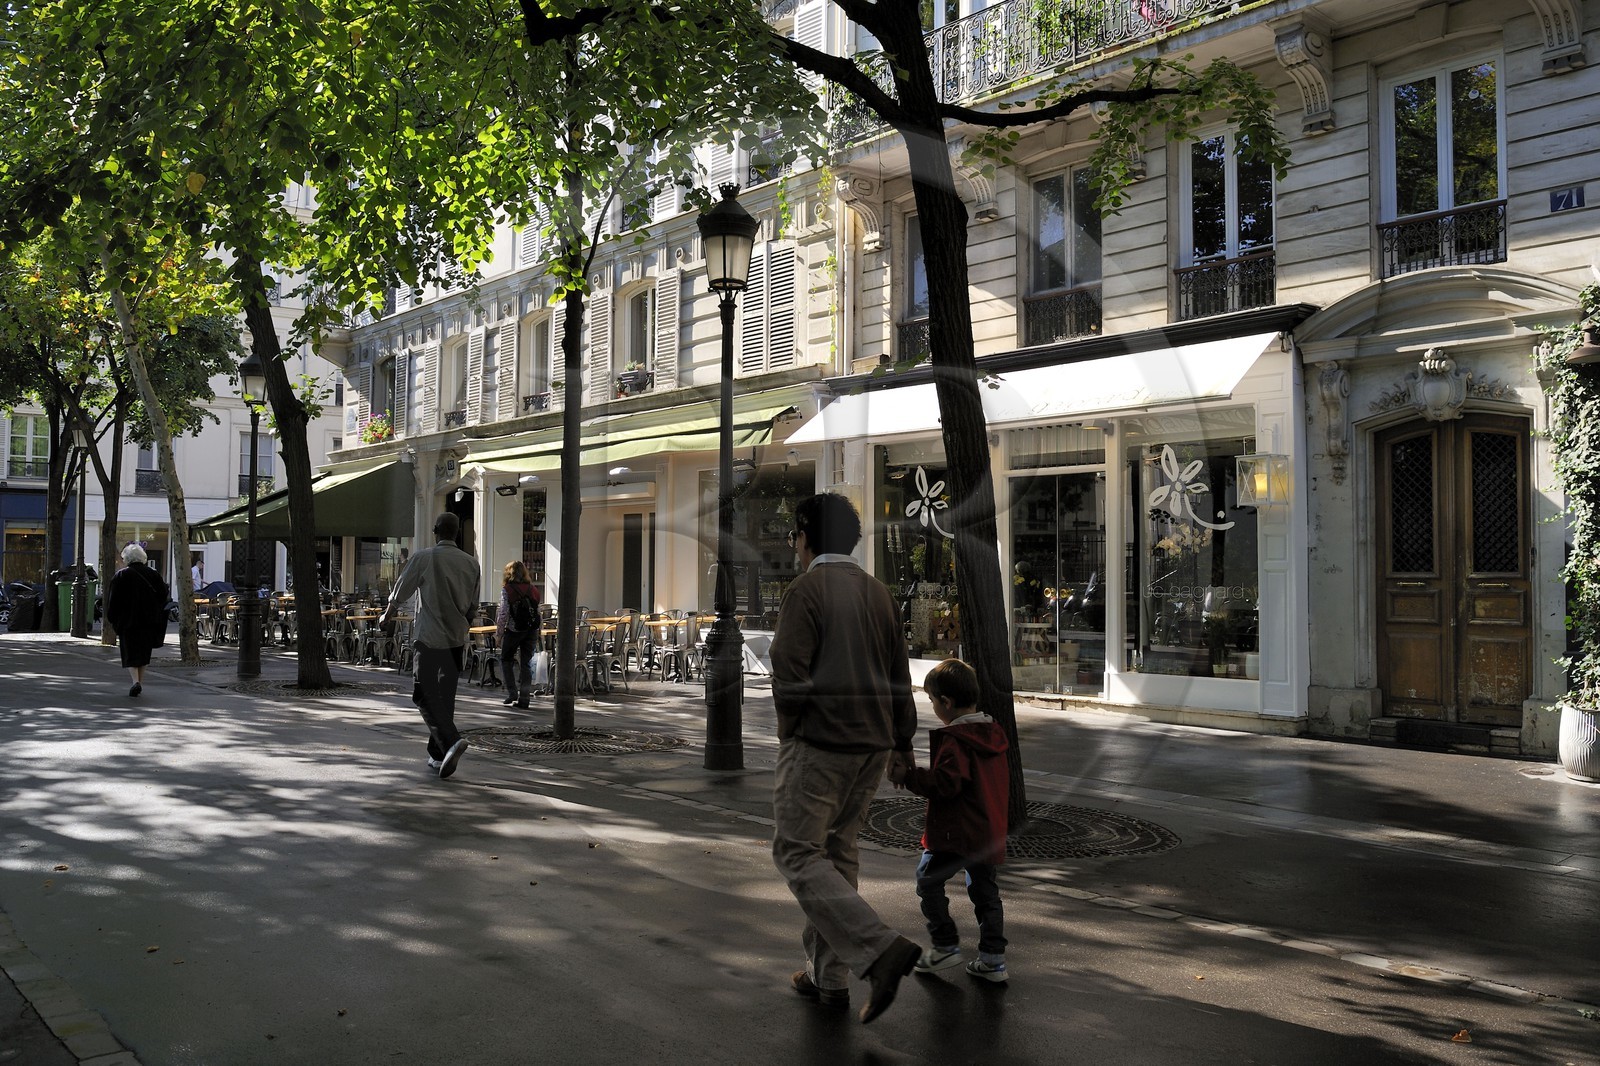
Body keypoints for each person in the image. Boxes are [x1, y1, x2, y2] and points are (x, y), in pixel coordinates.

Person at [769, 492, 922, 1024]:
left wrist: (792, 735)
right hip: (873, 745)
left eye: (793, 535)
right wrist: (902, 744)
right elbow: (899, 677)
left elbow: (789, 675)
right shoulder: (879, 594)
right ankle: (827, 978)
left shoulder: (805, 591)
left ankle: (878, 950)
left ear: (806, 536)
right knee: (838, 855)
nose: (793, 546)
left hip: (820, 744)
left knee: (796, 853)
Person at [887, 657, 1011, 983]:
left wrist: (911, 777)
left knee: (927, 879)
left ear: (947, 702)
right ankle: (993, 960)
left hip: (956, 831)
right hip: (987, 830)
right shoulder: (992, 733)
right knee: (986, 893)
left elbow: (945, 784)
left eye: (931, 700)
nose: (932, 706)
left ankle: (944, 944)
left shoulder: (957, 740)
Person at [379, 513, 480, 779]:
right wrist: (463, 626)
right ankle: (438, 755)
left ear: (436, 531)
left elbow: (401, 590)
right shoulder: (472, 564)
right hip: (456, 638)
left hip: (429, 636)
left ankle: (451, 741)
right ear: (457, 533)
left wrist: (386, 615)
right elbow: (473, 606)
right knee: (445, 695)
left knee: (423, 692)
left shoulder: (424, 557)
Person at [105, 544, 169, 698]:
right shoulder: (153, 575)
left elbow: (113, 601)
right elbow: (163, 595)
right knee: (143, 652)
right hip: (149, 621)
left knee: (130, 652)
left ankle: (135, 681)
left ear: (126, 558)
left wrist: (113, 619)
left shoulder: (121, 576)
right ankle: (140, 681)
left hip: (128, 621)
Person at [496, 560, 541, 709]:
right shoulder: (533, 589)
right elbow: (537, 611)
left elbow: (503, 613)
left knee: (506, 659)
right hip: (531, 630)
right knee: (526, 664)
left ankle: (512, 692)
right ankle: (525, 699)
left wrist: (499, 634)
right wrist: (538, 631)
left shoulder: (507, 589)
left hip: (514, 630)